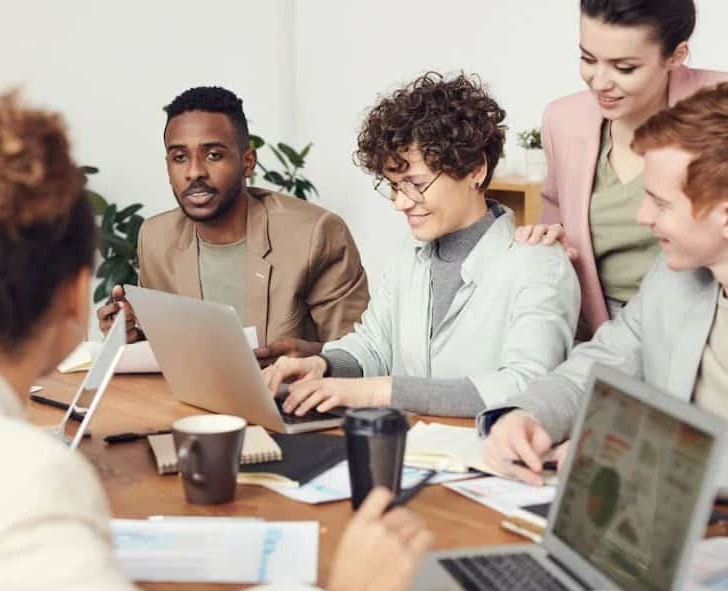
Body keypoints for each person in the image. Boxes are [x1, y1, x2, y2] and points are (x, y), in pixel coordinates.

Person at [0, 91, 432, 591]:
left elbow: (357, 343)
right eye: (179, 155)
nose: (194, 170)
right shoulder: (31, 480)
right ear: (75, 293)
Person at [261, 72, 580, 419]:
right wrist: (323, 364)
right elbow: (373, 345)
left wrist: (379, 391)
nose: (401, 203)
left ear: (475, 169)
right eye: (394, 186)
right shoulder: (408, 256)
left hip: (487, 459)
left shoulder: (538, 263)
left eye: (416, 184)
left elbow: (526, 384)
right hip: (409, 452)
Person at [482, 82, 728, 486]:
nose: (643, 217)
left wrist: (635, 453)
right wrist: (530, 416)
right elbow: (602, 363)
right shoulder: (672, 278)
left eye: (662, 203)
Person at [96, 86, 369, 366]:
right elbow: (170, 355)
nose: (194, 172)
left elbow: (364, 357)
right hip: (193, 404)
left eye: (213, 155)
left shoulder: (316, 234)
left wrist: (315, 357)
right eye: (180, 158)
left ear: (248, 162)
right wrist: (130, 336)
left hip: (292, 403)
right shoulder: (156, 237)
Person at [516, 0, 728, 339]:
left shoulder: (718, 107)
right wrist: (550, 238)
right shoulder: (563, 121)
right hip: (599, 333)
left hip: (706, 332)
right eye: (587, 59)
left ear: (676, 55)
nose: (600, 82)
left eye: (624, 68)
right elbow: (555, 219)